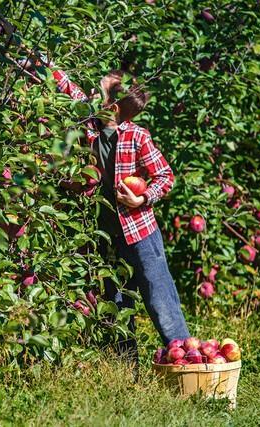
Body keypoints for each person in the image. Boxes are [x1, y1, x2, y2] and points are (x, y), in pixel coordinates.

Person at [41, 60, 191, 360]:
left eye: (102, 92)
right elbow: (66, 86)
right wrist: (35, 59)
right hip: (105, 229)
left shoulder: (137, 136)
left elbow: (165, 175)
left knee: (157, 292)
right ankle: (125, 360)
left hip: (139, 229)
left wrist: (143, 197)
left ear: (114, 107)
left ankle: (185, 356)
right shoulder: (91, 126)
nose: (94, 96)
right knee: (116, 294)